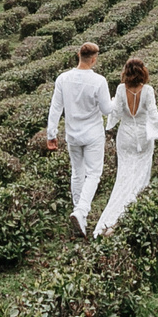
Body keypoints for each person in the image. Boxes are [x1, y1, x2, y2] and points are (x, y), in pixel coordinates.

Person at [93, 55, 158, 238]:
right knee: (140, 173)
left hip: (125, 137)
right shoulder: (148, 91)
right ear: (143, 72)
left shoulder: (121, 89)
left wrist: (113, 103)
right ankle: (129, 213)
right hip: (143, 138)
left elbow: (116, 111)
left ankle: (112, 217)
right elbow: (153, 114)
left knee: (124, 174)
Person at [41, 40, 115, 237]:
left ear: (78, 56)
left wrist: (51, 134)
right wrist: (117, 101)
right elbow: (107, 109)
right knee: (93, 174)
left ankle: (78, 214)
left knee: (77, 172)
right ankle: (81, 211)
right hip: (92, 134)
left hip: (72, 134)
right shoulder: (99, 81)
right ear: (93, 59)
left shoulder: (63, 79)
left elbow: (56, 107)